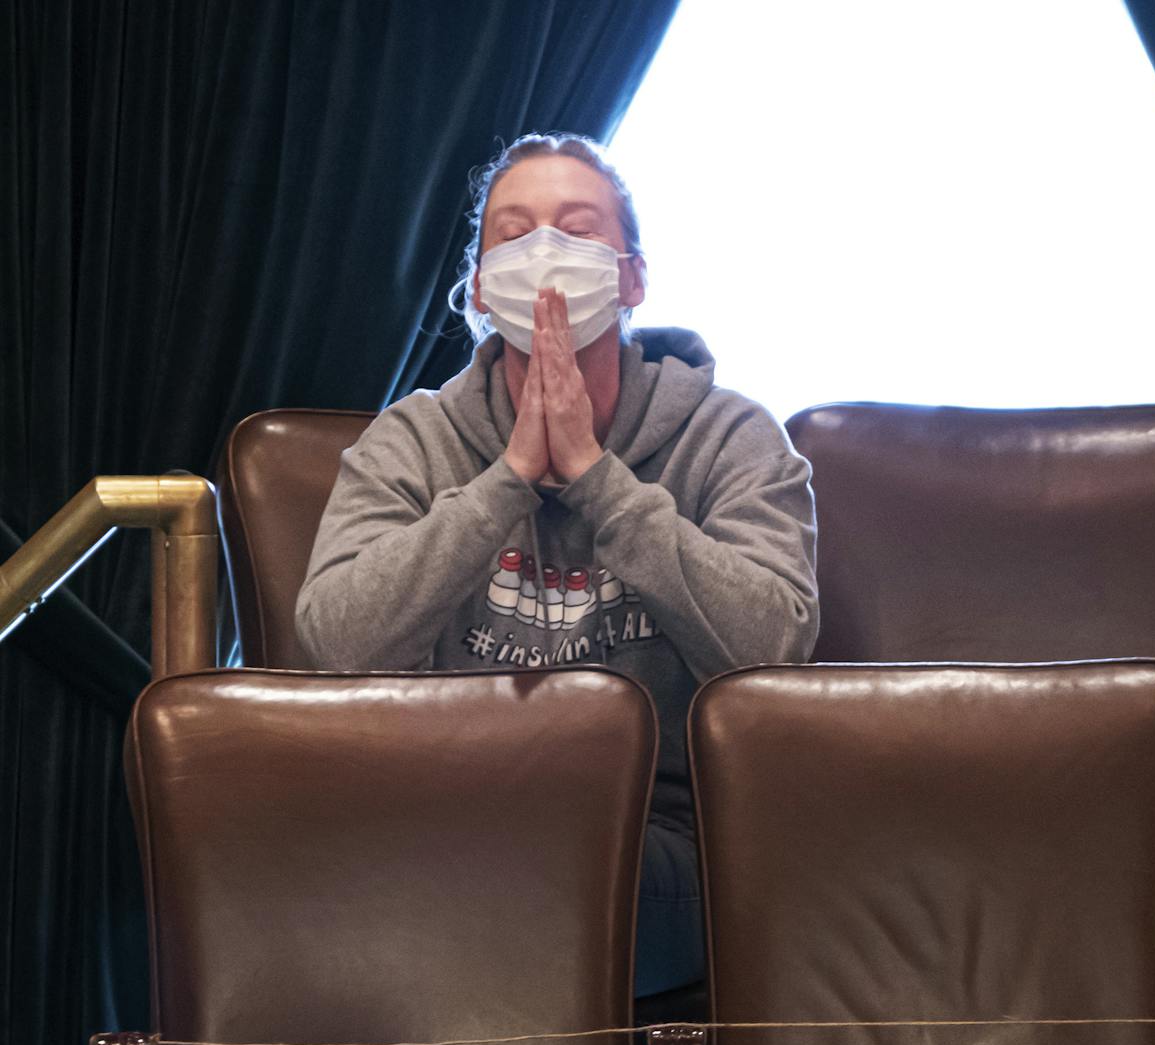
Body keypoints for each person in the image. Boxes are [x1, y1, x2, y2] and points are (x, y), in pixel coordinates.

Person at [295, 133, 819, 998]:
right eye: (513, 232)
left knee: (483, 879)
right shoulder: (413, 441)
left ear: (632, 278)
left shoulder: (729, 436)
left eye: (576, 230)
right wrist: (504, 484)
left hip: (658, 848)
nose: (543, 254)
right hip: (436, 823)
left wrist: (599, 481)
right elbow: (336, 644)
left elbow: (775, 651)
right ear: (475, 284)